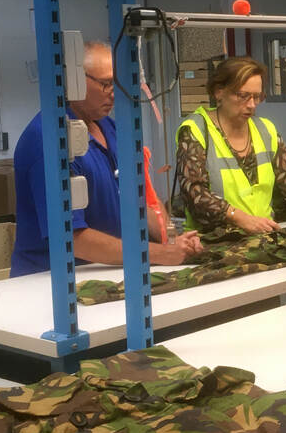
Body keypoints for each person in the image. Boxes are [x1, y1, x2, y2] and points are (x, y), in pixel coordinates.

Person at [11, 41, 202, 277]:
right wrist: (159, 254)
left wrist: (173, 242)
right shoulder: (49, 140)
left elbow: (140, 201)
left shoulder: (110, 128)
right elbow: (72, 239)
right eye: (106, 84)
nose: (114, 93)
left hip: (110, 270)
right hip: (52, 281)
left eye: (118, 84)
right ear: (74, 81)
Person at [175, 56, 286, 233]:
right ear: (219, 92)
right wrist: (241, 219)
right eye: (243, 96)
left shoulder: (265, 130)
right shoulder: (196, 130)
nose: (252, 105)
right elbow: (194, 193)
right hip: (212, 239)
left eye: (257, 97)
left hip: (261, 236)